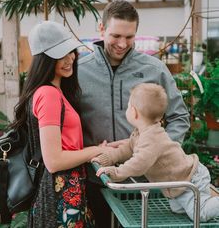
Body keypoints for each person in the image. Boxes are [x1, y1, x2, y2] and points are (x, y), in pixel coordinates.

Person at [77, 0, 190, 228]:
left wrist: (157, 151)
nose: (122, 44)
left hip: (146, 185)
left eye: (129, 37)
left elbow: (179, 117)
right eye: (116, 35)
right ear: (101, 28)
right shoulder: (79, 70)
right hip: (96, 180)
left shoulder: (154, 69)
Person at [11, 21, 104, 228]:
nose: (70, 58)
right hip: (59, 193)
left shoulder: (54, 92)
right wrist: (95, 151)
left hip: (64, 189)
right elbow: (53, 160)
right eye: (60, 54)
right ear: (43, 60)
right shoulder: (48, 94)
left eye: (71, 51)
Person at [93, 83, 219, 222]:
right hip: (177, 184)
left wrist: (116, 172)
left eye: (128, 105)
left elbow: (138, 164)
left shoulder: (151, 139)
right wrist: (107, 158)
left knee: (200, 214)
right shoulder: (141, 132)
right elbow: (128, 149)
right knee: (177, 209)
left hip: (190, 179)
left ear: (134, 112)